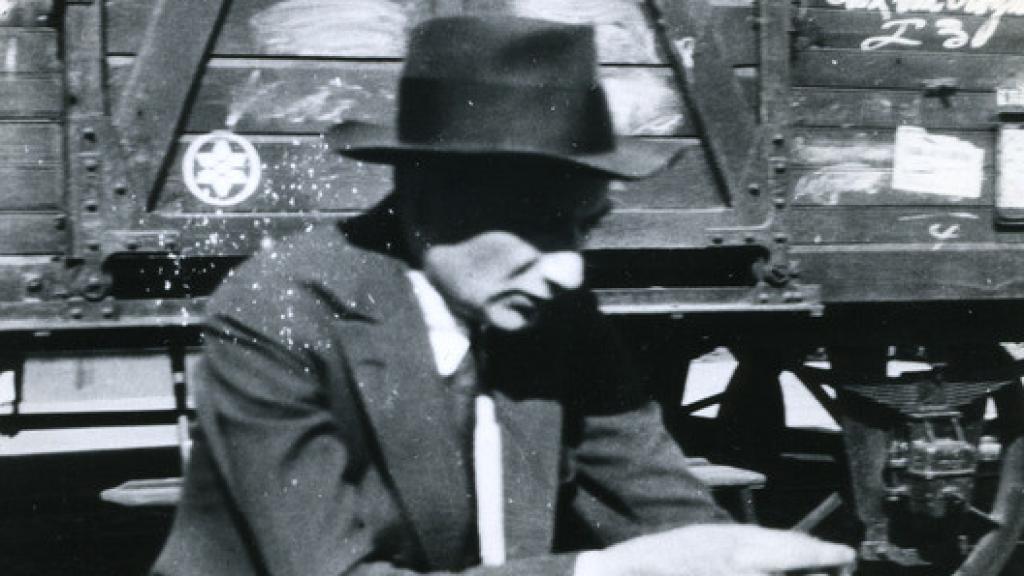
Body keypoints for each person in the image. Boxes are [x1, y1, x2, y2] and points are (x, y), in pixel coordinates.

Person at [152, 15, 855, 576]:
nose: (571, 273)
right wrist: (605, 573)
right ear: (429, 203)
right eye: (544, 228)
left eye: (585, 229)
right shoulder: (279, 312)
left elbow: (665, 510)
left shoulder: (553, 309)